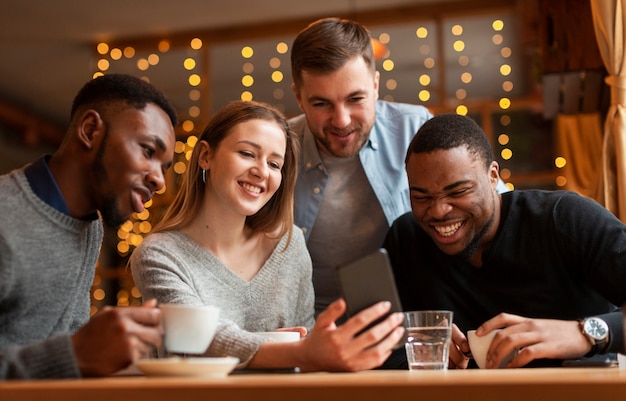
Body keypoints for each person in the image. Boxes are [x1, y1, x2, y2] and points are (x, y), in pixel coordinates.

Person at [130, 100, 404, 372]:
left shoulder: (289, 244)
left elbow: (304, 353)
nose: (262, 172)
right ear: (205, 156)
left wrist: (304, 350)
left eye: (274, 164)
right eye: (248, 154)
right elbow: (202, 339)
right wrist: (295, 350)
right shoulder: (158, 254)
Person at [288, 17, 508, 317]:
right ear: (299, 97)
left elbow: (500, 209)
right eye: (321, 104)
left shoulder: (416, 128)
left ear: (376, 85)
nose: (341, 120)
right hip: (310, 325)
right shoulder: (278, 149)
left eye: (355, 99)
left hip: (415, 319)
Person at [383, 113, 626, 369]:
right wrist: (416, 353)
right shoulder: (406, 238)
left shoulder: (564, 218)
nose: (439, 211)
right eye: (421, 197)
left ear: (493, 176)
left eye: (458, 192)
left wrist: (584, 333)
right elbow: (380, 352)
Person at [0, 73, 178, 379]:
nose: (159, 181)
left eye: (164, 167)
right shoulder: (6, 216)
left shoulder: (89, 226)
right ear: (90, 130)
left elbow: (66, 347)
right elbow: (68, 357)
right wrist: (75, 355)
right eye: (148, 150)